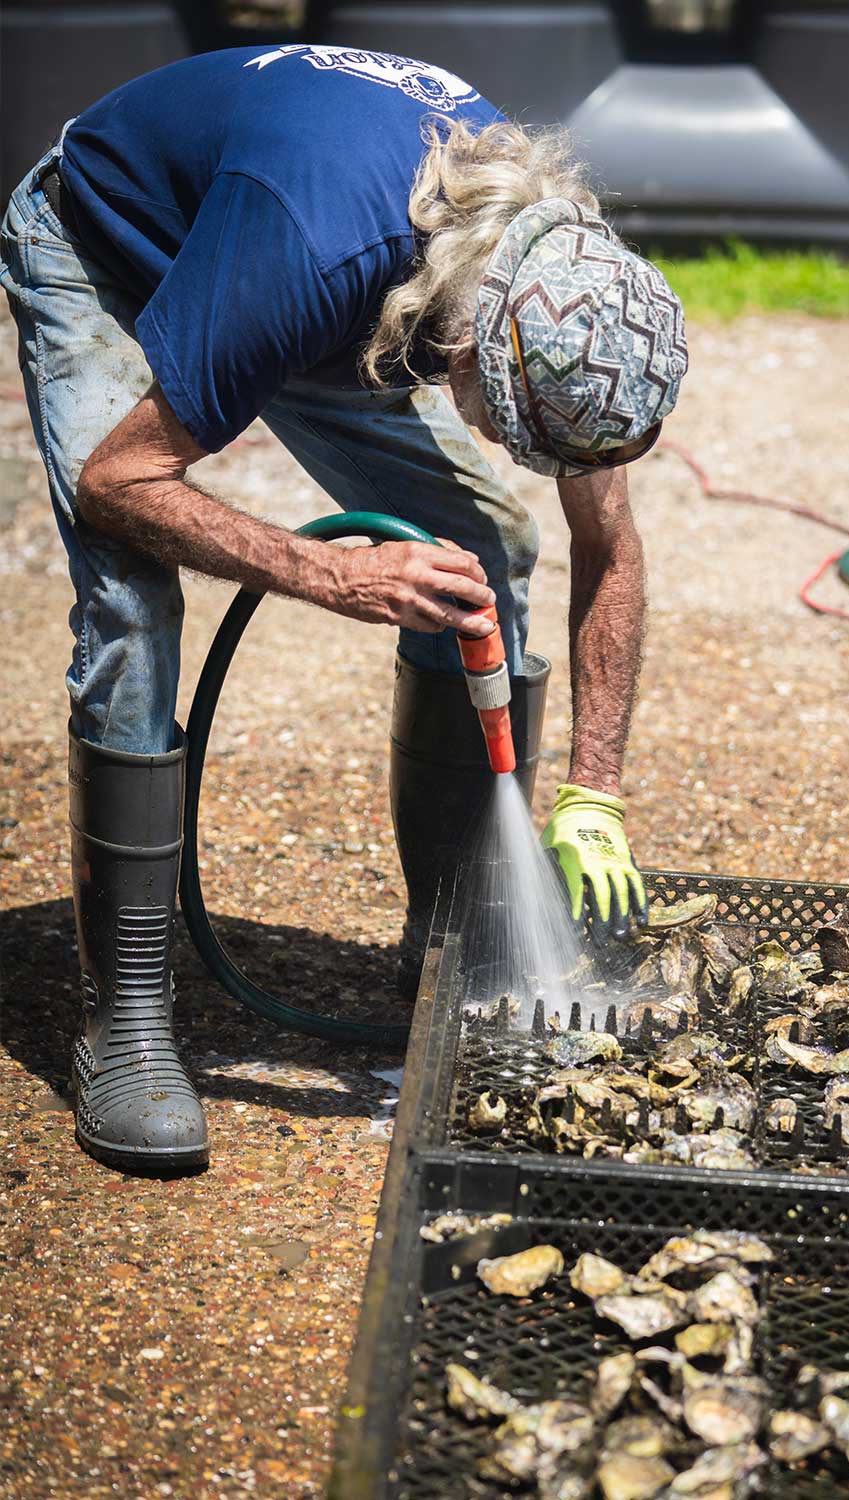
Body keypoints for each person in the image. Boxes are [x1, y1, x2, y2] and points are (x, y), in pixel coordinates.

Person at [0, 44, 687, 1174]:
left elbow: (607, 543)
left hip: (321, 288)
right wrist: (327, 573)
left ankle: (445, 934)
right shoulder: (315, 251)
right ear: (465, 353)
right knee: (133, 599)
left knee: (489, 542)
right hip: (113, 243)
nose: (516, 453)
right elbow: (115, 485)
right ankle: (123, 1021)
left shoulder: (569, 292)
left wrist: (597, 791)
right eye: (508, 431)